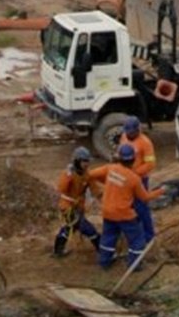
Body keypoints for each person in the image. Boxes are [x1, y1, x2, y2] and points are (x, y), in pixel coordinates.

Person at [91, 142, 164, 270]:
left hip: (107, 212)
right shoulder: (134, 179)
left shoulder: (110, 168)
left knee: (108, 237)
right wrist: (161, 191)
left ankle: (104, 262)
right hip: (124, 215)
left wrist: (107, 182)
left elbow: (91, 174)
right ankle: (134, 265)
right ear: (133, 159)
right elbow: (144, 197)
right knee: (137, 239)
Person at [53, 147, 101, 256]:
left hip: (79, 207)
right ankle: (102, 251)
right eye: (84, 161)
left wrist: (102, 197)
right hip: (67, 207)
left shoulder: (87, 174)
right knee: (88, 229)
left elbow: (95, 189)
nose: (86, 164)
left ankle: (58, 251)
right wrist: (67, 176)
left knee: (70, 227)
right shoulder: (68, 174)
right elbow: (61, 189)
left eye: (87, 161)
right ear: (77, 161)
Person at [122, 115, 157, 240]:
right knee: (129, 206)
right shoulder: (124, 137)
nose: (129, 135)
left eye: (132, 133)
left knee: (141, 207)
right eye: (127, 133)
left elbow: (150, 164)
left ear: (138, 130)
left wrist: (135, 173)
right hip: (126, 178)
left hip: (140, 180)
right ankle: (135, 228)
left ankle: (148, 234)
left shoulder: (145, 143)